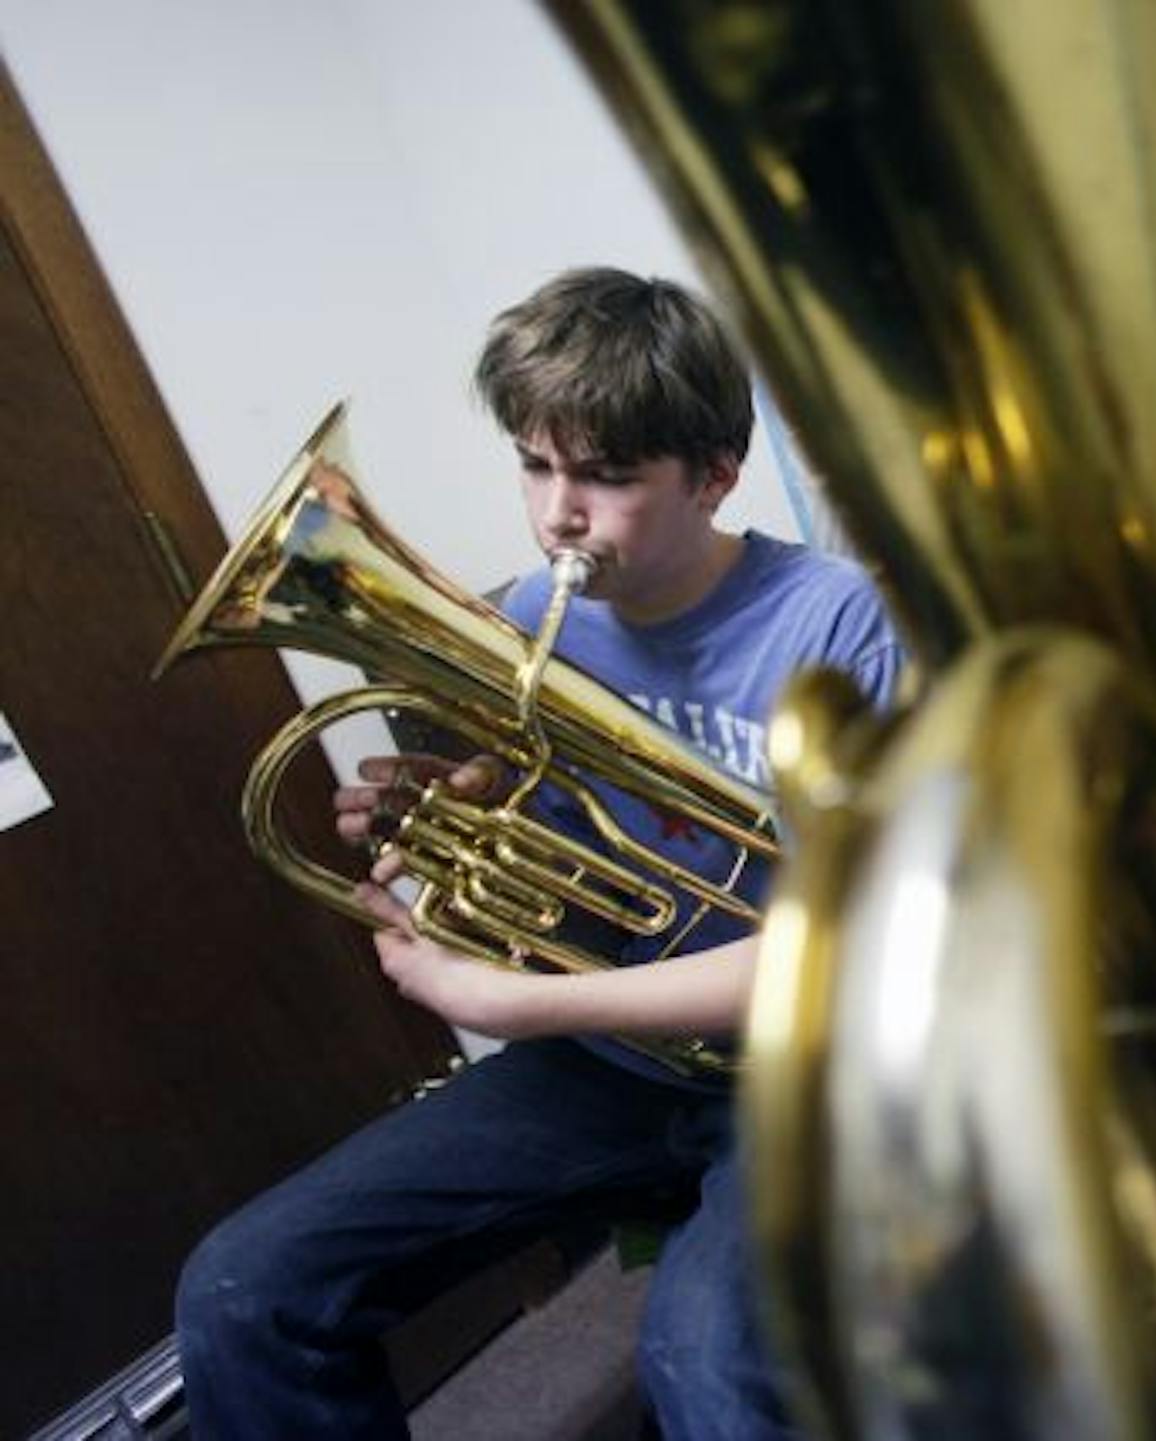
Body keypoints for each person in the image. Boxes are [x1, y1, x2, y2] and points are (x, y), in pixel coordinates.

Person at [175, 266, 906, 1441]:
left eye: (608, 477)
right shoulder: (527, 617)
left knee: (702, 1359)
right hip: (616, 1064)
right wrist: (448, 813)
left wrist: (507, 1005)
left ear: (714, 476)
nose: (560, 512)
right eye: (536, 463)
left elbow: (851, 950)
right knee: (243, 1283)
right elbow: (550, 835)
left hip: (809, 1079)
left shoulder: (834, 626)